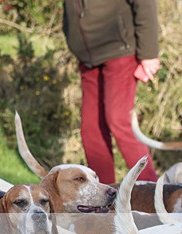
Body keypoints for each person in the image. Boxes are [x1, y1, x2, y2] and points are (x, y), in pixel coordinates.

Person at [62, 0, 160, 184]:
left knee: (118, 120)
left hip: (120, 50)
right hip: (88, 57)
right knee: (91, 129)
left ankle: (152, 191)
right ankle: (104, 197)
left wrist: (149, 53)